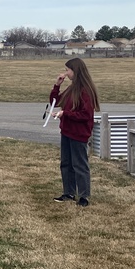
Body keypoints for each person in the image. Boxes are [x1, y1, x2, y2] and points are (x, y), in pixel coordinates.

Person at [50, 57, 100, 206]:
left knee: (79, 165)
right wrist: (57, 86)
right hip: (66, 131)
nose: (66, 73)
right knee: (66, 163)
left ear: (75, 71)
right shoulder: (72, 88)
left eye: (68, 70)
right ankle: (69, 192)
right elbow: (56, 101)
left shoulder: (86, 91)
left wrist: (66, 114)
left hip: (79, 134)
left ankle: (84, 196)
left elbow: (86, 115)